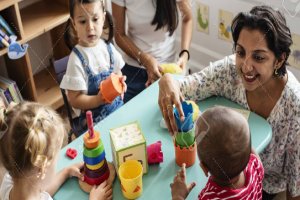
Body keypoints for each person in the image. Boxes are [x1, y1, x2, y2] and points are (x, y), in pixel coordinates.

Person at [159, 5, 300, 200]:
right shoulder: (228, 72)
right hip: (224, 176)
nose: (246, 66)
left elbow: (296, 183)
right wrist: (167, 81)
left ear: (279, 60)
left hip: (266, 186)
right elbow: (185, 87)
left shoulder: (295, 106)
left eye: (258, 57)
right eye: (241, 52)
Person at [0, 101, 112, 200]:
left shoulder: (9, 181)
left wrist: (65, 172)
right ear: (42, 168)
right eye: (56, 158)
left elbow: (40, 192)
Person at [171, 106, 264, 199]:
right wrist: (240, 141)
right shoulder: (255, 166)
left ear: (204, 168)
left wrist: (178, 196)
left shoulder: (210, 197)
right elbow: (250, 151)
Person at [112, 0, 193, 103]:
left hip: (168, 69)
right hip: (134, 68)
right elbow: (119, 34)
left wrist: (185, 54)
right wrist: (144, 58)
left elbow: (187, 19)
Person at [61, 0, 127, 123]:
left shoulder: (108, 48)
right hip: (95, 122)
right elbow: (74, 99)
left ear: (103, 18)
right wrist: (97, 100)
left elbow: (117, 73)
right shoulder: (76, 60)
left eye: (95, 19)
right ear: (74, 24)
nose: (90, 27)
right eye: (82, 21)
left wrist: (120, 82)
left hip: (118, 111)